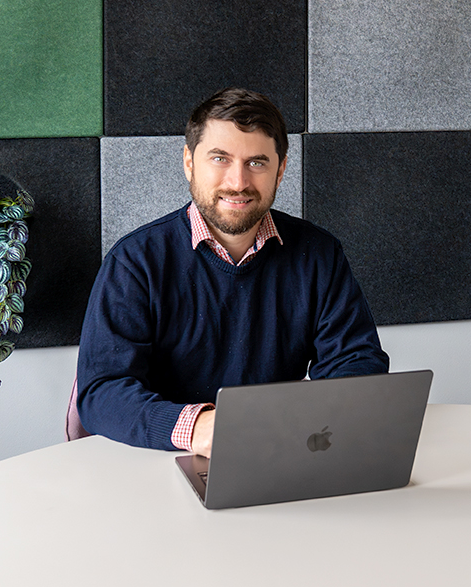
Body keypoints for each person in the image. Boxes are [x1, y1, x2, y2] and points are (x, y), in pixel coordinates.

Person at [76, 87, 389, 457]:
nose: (238, 182)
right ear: (189, 162)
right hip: (160, 460)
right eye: (220, 159)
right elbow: (102, 393)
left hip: (277, 453)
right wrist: (197, 427)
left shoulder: (318, 254)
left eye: (256, 162)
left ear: (281, 169)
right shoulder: (135, 262)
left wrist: (310, 419)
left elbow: (357, 361)